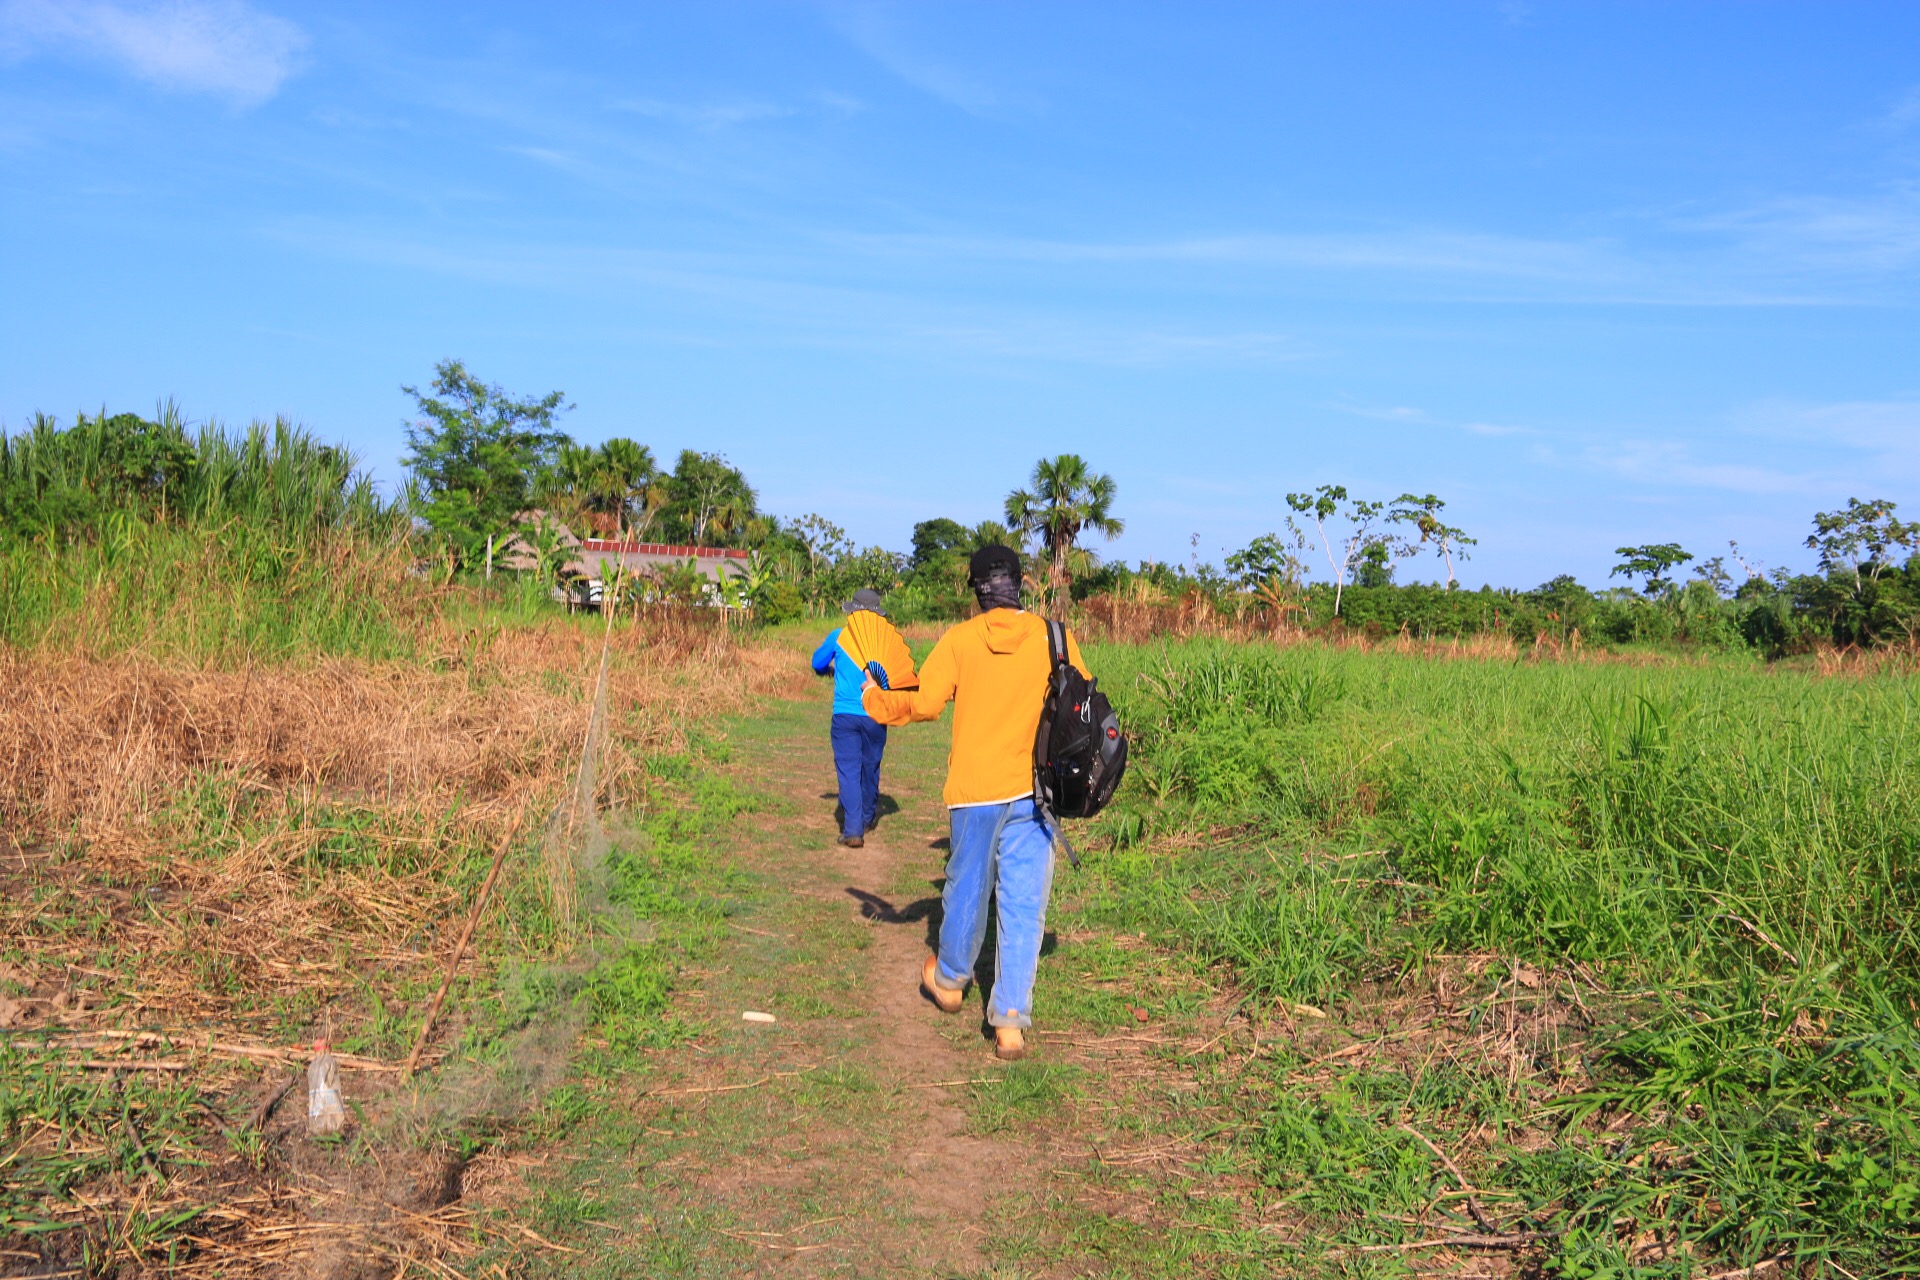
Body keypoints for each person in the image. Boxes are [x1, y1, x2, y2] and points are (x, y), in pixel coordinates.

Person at [862, 545, 1089, 1061]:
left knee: (967, 886)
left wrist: (878, 700)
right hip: (1037, 794)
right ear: (1021, 584)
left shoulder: (961, 640)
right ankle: (1010, 1021)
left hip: (974, 792)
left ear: (977, 591)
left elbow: (924, 703)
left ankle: (948, 982)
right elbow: (1081, 703)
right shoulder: (1056, 638)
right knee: (1024, 903)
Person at [812, 588, 893, 849]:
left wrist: (829, 669)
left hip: (845, 715)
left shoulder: (840, 636)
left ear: (853, 612)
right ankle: (868, 817)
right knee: (870, 766)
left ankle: (853, 829)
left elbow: (817, 663)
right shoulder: (886, 642)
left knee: (848, 771)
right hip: (876, 714)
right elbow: (894, 680)